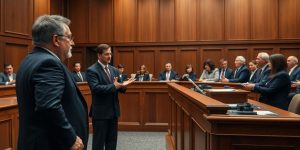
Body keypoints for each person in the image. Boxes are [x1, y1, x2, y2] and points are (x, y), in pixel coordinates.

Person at [16, 15, 88, 150]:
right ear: (56, 40)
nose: (72, 43)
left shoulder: (30, 59)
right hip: (51, 143)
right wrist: (70, 138)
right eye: (69, 37)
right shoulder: (48, 63)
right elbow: (49, 107)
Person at [86, 44, 135, 150]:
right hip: (100, 113)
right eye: (106, 54)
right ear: (99, 55)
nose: (109, 56)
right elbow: (96, 88)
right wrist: (115, 86)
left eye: (110, 54)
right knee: (98, 143)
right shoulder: (92, 70)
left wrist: (124, 85)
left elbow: (119, 87)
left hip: (113, 111)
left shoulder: (114, 70)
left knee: (112, 142)